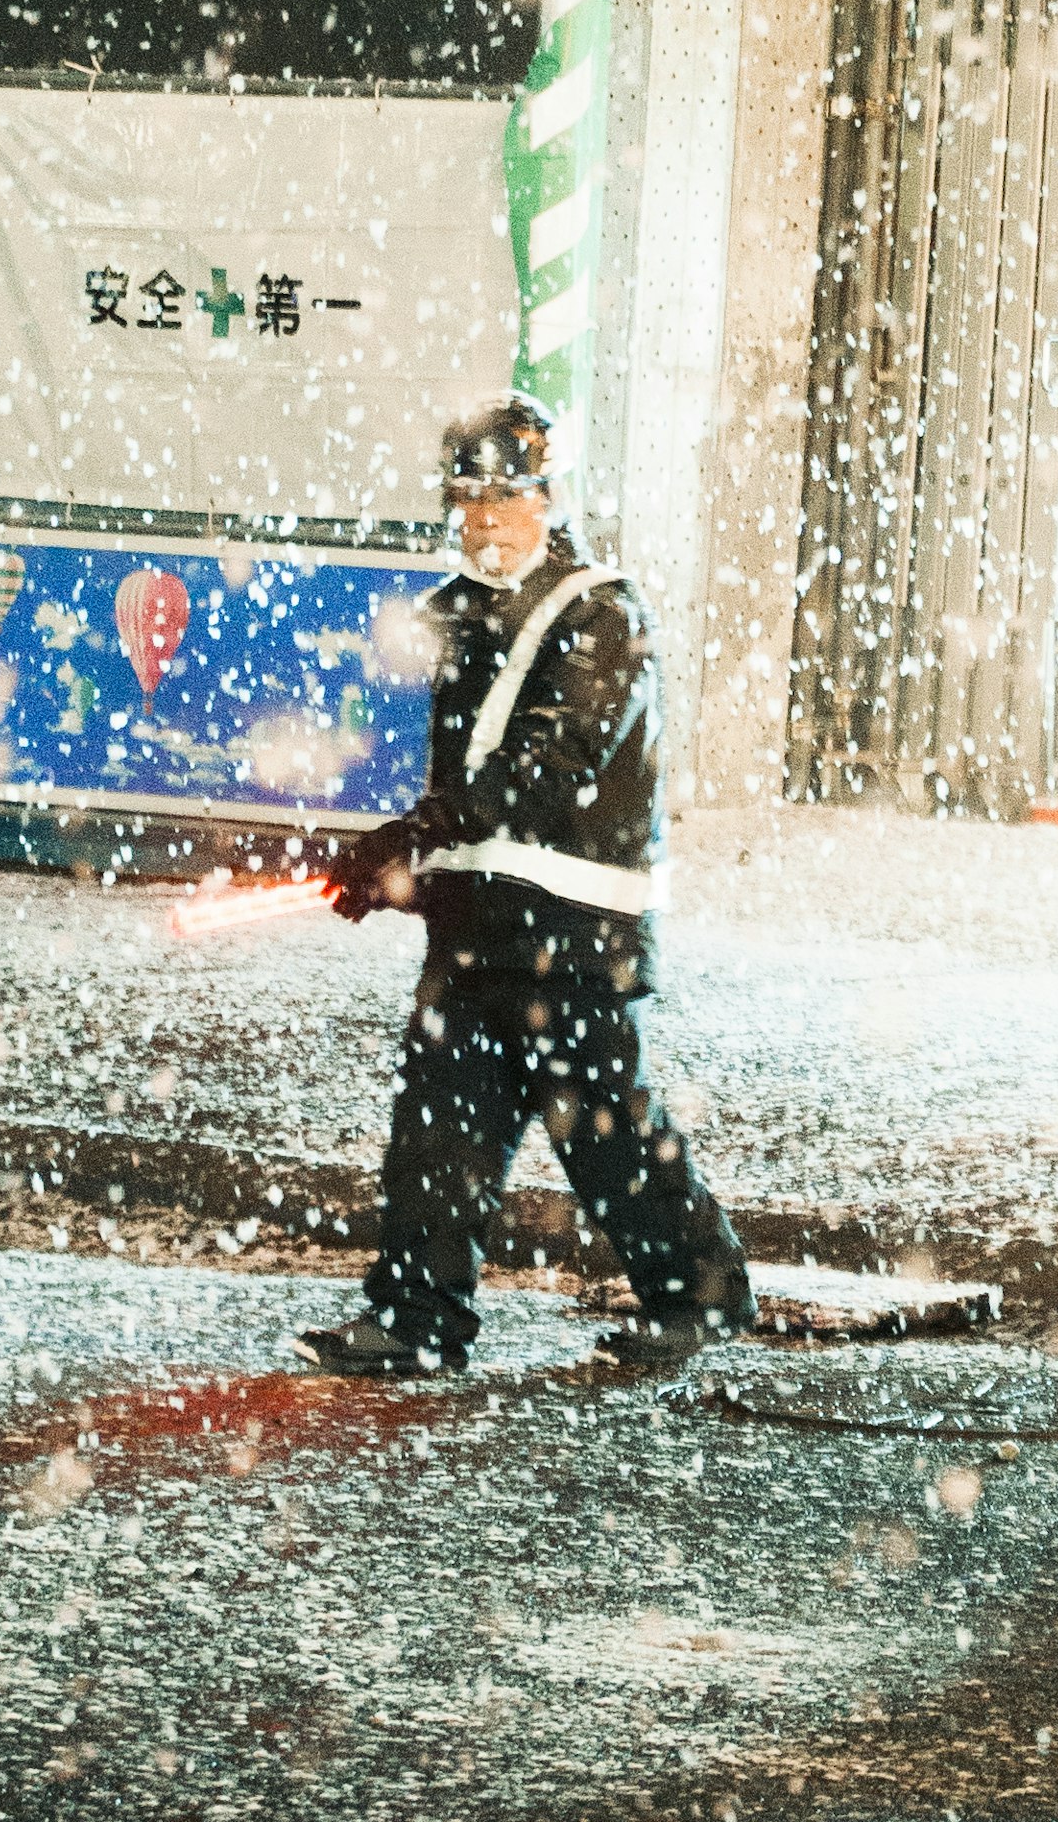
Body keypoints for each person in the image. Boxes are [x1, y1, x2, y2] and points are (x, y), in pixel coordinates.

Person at [298, 396, 750, 1378]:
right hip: (471, 930)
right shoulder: (461, 614)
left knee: (605, 1135)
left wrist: (417, 832)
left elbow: (555, 771)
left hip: (575, 932)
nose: (483, 519)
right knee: (435, 1137)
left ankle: (703, 1293)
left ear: (548, 497)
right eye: (467, 499)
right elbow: (468, 797)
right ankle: (416, 1320)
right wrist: (401, 874)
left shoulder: (603, 613)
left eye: (504, 498)